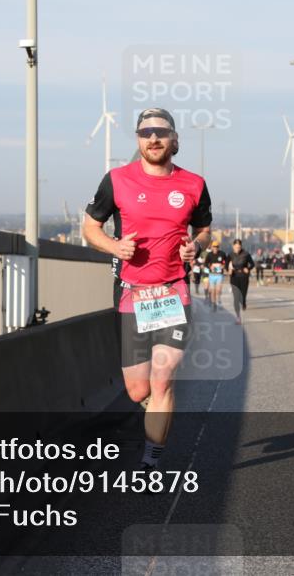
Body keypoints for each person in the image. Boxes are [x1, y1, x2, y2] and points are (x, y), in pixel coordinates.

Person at [83, 107, 212, 472]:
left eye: (160, 131)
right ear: (138, 140)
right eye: (145, 132)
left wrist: (196, 246)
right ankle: (152, 404)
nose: (153, 138)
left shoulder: (194, 184)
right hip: (131, 293)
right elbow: (90, 228)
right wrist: (114, 247)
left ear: (175, 140)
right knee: (138, 390)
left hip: (173, 292)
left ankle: (152, 458)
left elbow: (204, 229)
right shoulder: (116, 179)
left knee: (163, 379)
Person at [228, 239, 255, 324]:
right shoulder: (230, 255)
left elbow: (252, 264)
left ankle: (243, 303)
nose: (237, 249)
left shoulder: (246, 254)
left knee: (243, 295)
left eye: (239, 247)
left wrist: (248, 268)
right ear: (233, 246)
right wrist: (228, 270)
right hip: (234, 277)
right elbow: (226, 265)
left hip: (244, 277)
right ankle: (238, 317)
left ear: (241, 246)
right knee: (236, 297)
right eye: (236, 247)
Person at [204, 240, 229, 311]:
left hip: (219, 275)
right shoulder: (209, 255)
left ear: (218, 247)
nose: (215, 248)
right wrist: (210, 267)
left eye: (216, 247)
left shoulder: (222, 254)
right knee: (213, 291)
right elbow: (205, 264)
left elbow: (227, 262)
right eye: (214, 247)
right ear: (211, 247)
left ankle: (219, 299)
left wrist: (223, 266)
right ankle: (214, 304)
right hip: (212, 275)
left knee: (218, 290)